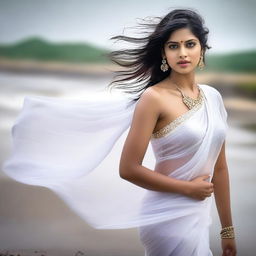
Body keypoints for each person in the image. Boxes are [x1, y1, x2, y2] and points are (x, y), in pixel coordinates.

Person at [2, 8, 236, 256]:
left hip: (199, 217)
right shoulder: (153, 98)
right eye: (173, 46)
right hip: (166, 218)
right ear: (164, 53)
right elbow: (128, 169)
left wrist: (227, 230)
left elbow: (219, 169)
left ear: (202, 49)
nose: (183, 53)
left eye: (190, 44)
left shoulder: (213, 97)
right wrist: (186, 189)